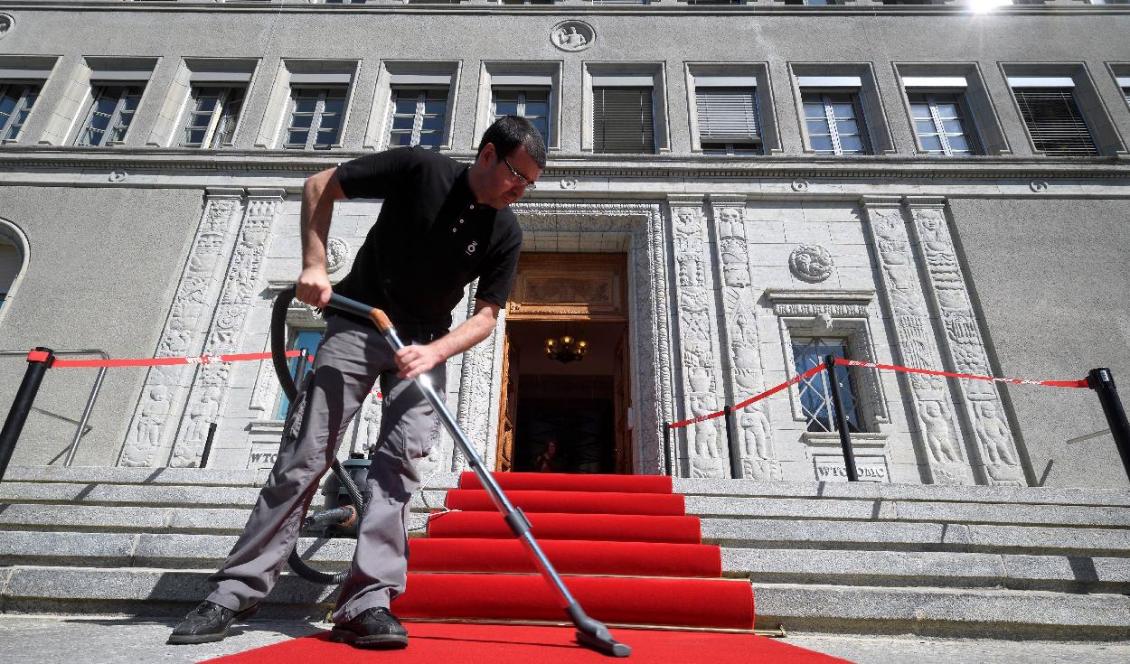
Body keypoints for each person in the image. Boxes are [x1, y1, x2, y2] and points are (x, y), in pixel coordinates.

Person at [167, 116, 545, 650]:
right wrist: (314, 265)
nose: (520, 189)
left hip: (423, 343)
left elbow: (485, 318)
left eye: (529, 183)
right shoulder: (420, 167)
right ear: (487, 155)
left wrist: (434, 351)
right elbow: (321, 184)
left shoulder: (506, 231)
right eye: (516, 175)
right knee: (305, 454)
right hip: (360, 319)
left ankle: (368, 601)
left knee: (400, 466)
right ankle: (234, 592)